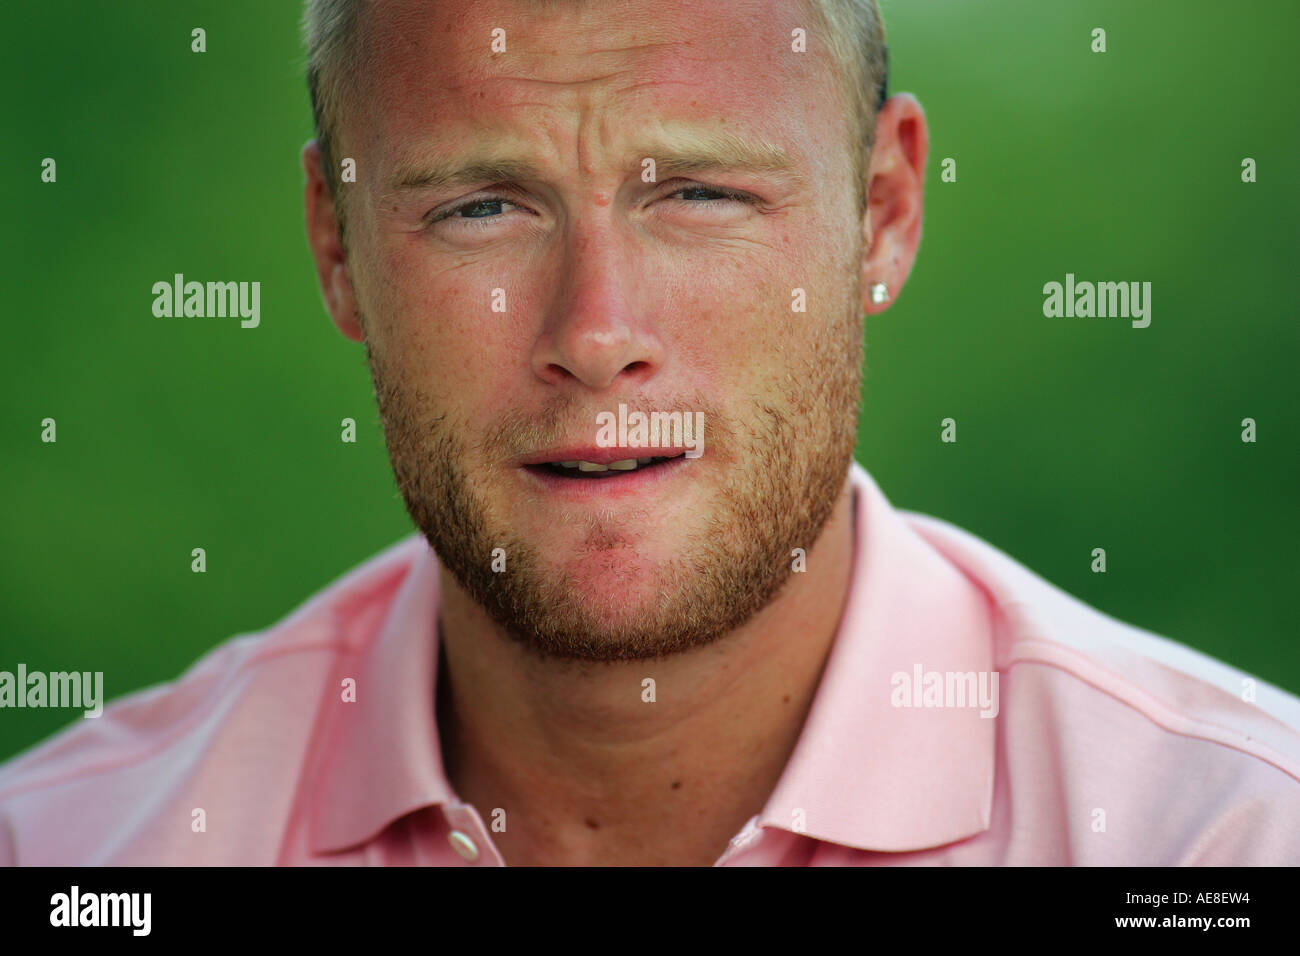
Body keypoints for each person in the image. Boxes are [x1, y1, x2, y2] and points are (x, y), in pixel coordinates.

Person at [2, 0, 1297, 866]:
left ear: (885, 213)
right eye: (481, 209)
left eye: (701, 193)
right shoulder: (77, 853)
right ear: (336, 247)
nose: (597, 328)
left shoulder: (1229, 841)